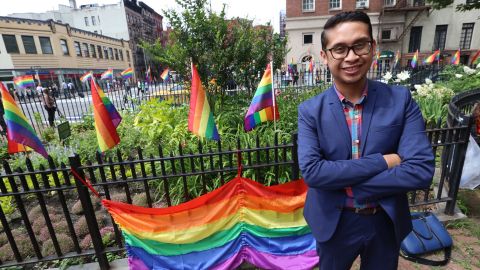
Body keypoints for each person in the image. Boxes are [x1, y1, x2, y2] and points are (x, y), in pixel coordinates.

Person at [297, 11, 435, 270]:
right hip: (333, 222)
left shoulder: (400, 101)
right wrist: (385, 161)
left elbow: (420, 170)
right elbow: (314, 173)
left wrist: (354, 187)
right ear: (325, 57)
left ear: (372, 48)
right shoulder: (310, 111)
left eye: (359, 45)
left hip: (385, 219)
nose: (351, 56)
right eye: (339, 49)